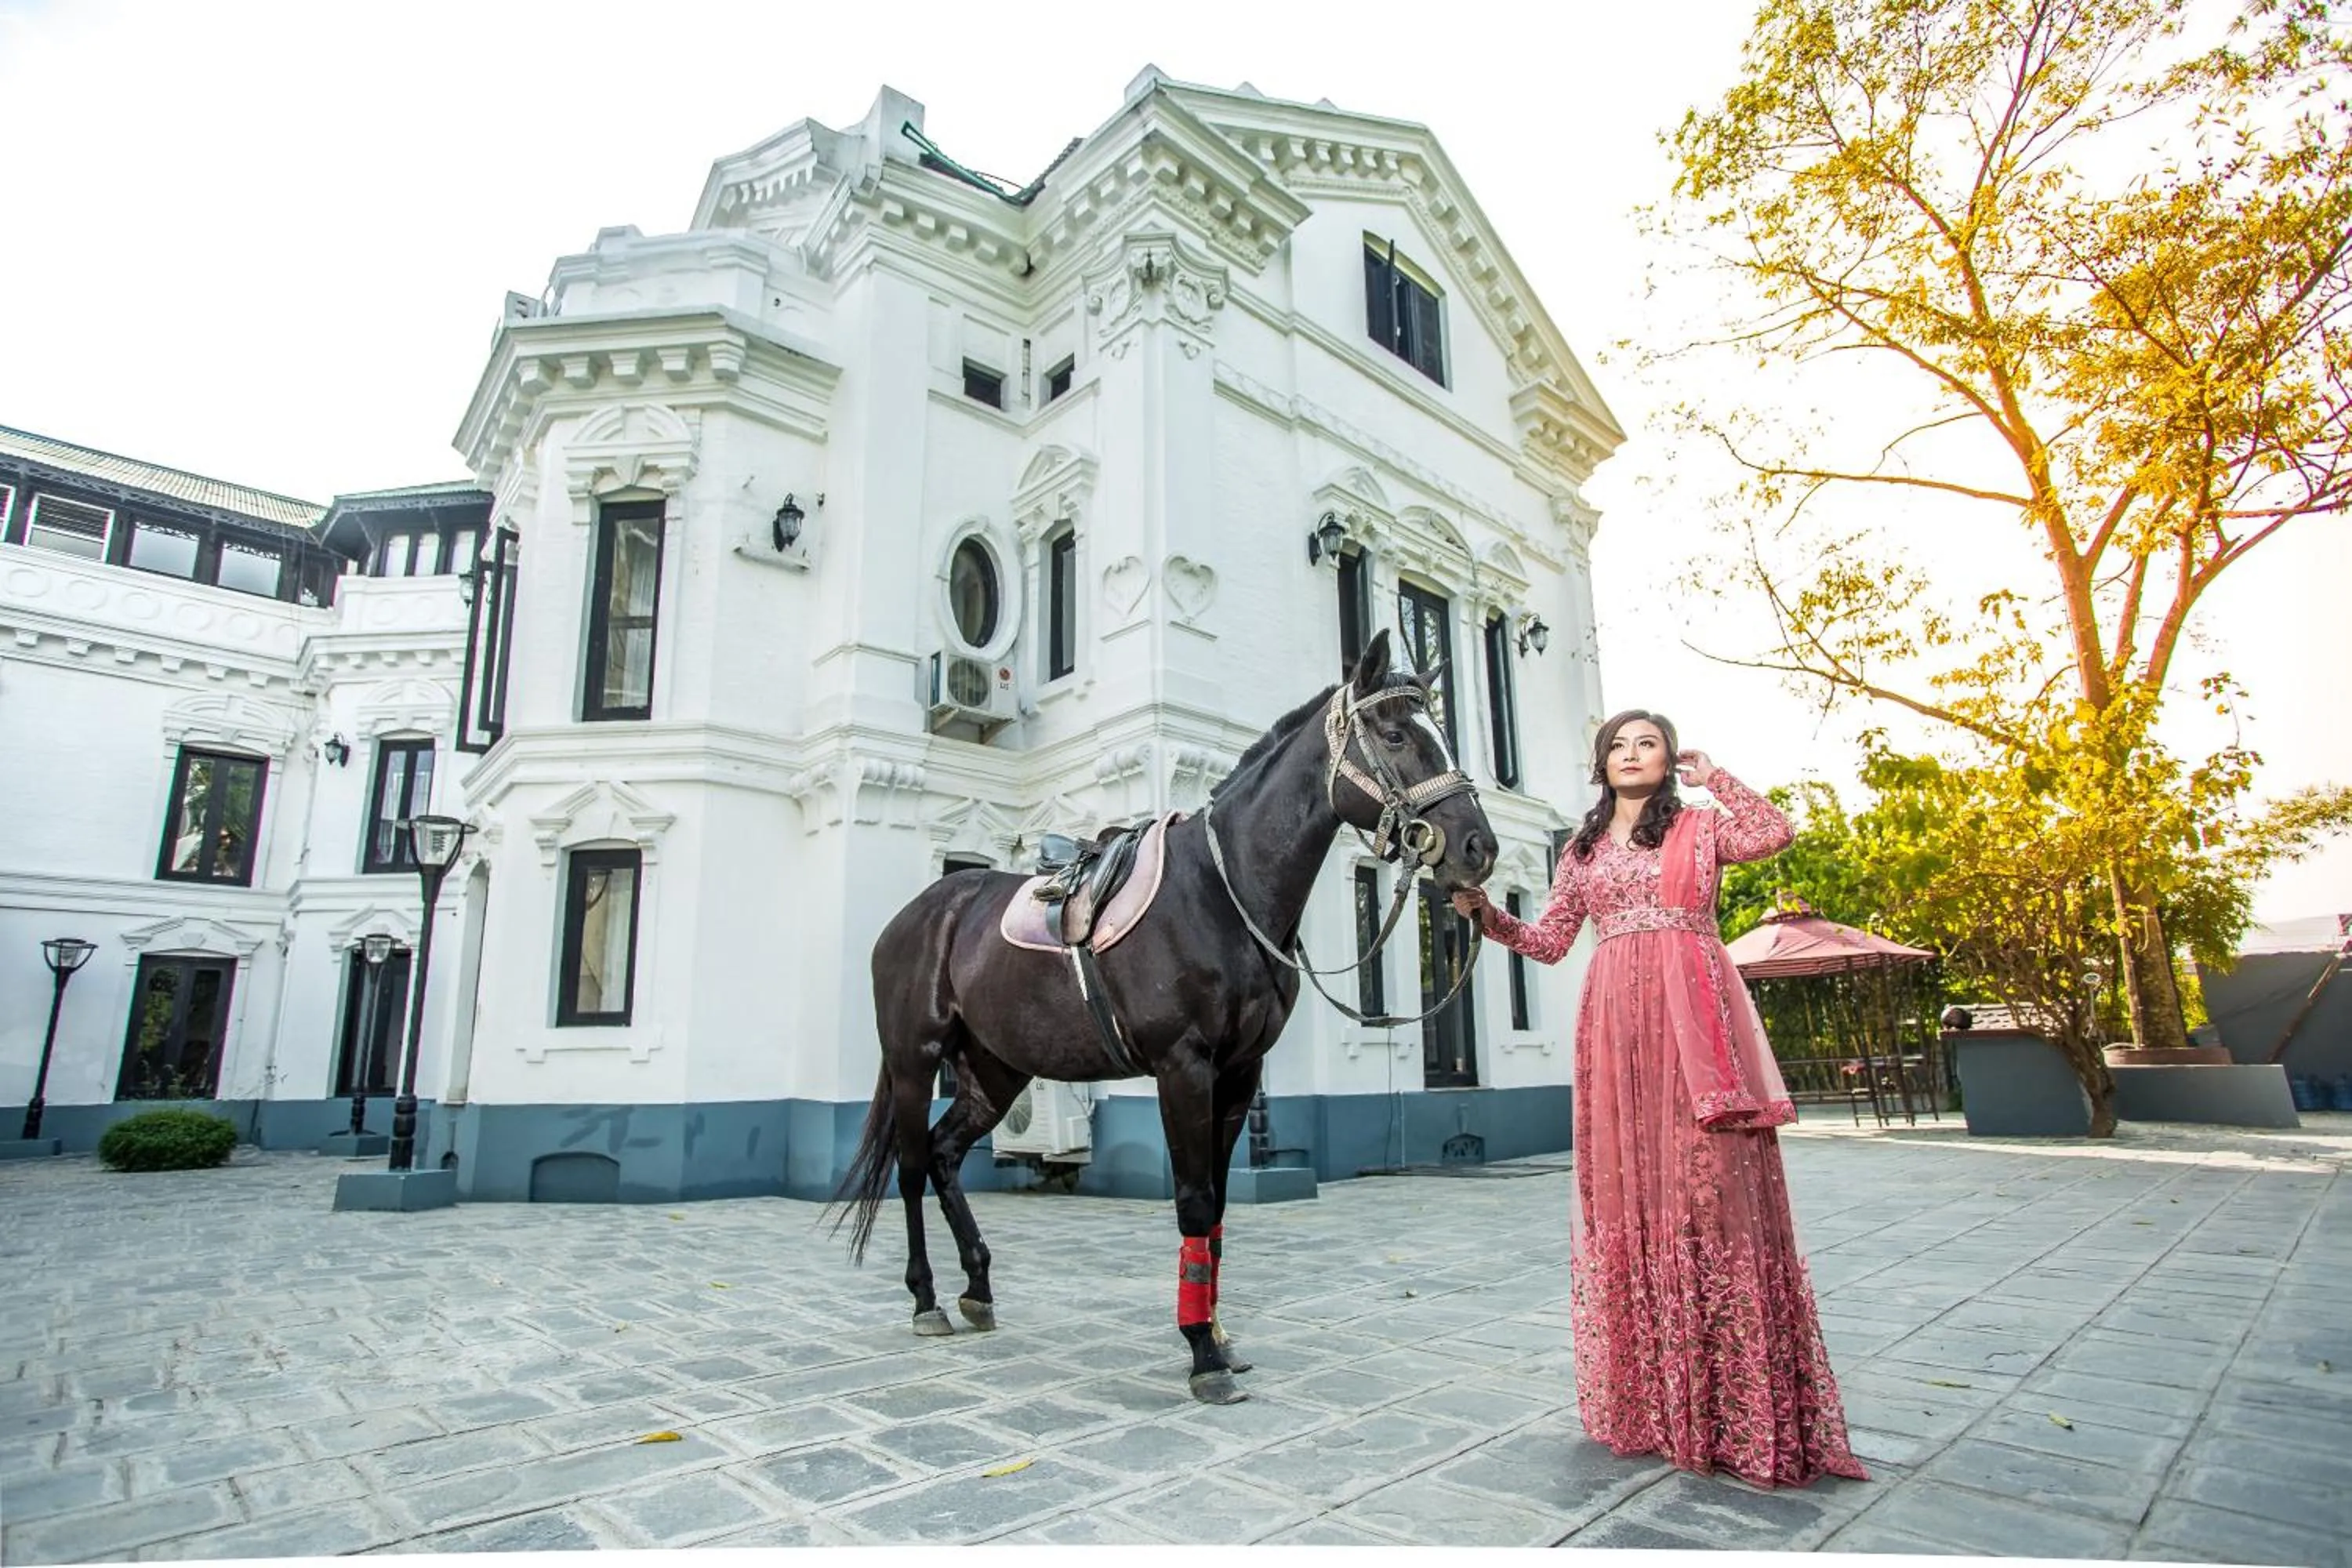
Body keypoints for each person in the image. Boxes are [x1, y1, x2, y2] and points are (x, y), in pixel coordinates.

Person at [1451, 710, 1867, 1490]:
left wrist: (1719, 779)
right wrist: (1490, 918)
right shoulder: (1579, 850)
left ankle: (1735, 1404)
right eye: (1618, 743)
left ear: (1669, 758)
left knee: (1711, 1189)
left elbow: (1775, 830)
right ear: (1599, 761)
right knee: (1635, 1195)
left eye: (1647, 742)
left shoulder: (1704, 826)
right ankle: (1653, 1402)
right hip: (1614, 1024)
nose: (1631, 753)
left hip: (1695, 1015)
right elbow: (1548, 942)